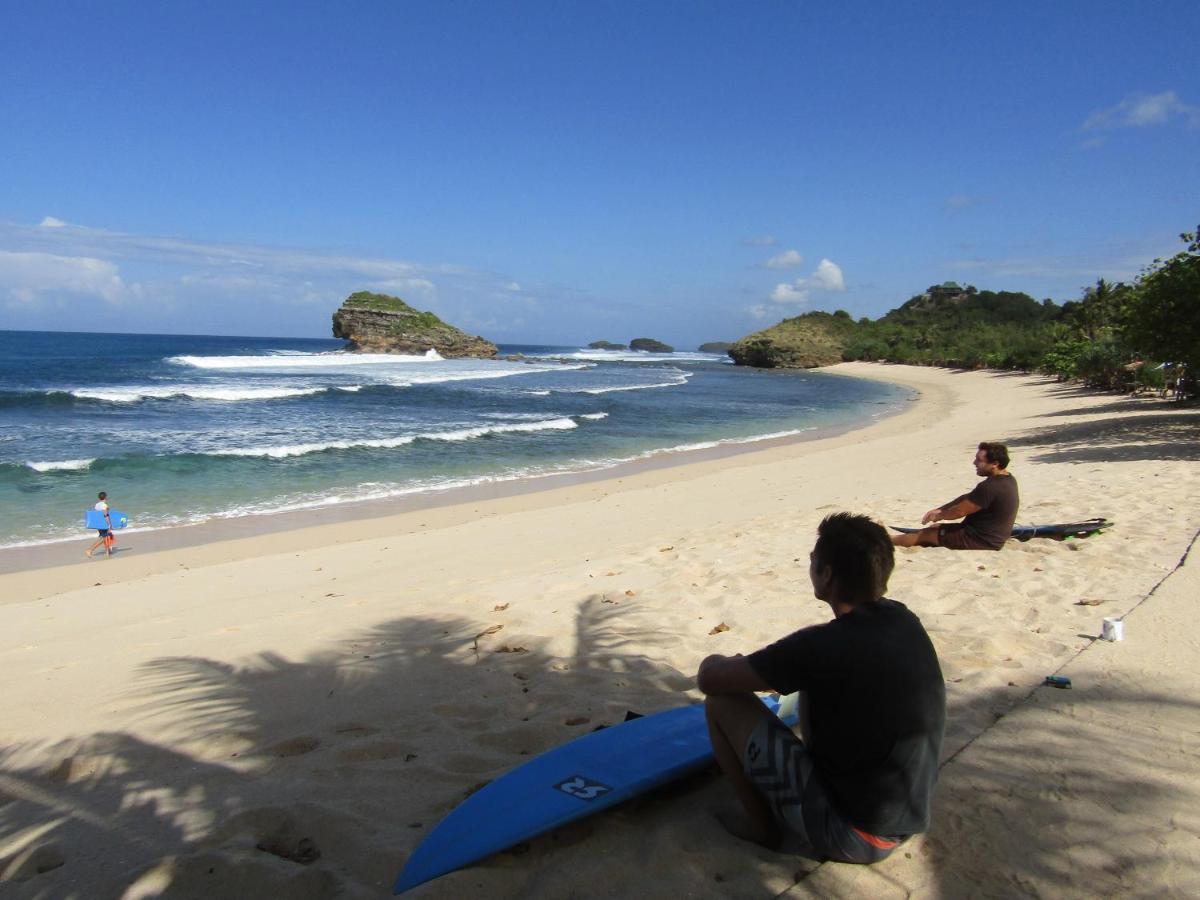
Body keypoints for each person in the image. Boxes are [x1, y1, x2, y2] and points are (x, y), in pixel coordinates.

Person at [697, 513, 945, 863]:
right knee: (813, 685)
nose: (810, 565)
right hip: (906, 815)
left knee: (720, 703)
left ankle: (762, 829)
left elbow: (710, 680)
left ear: (827, 575)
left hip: (854, 834)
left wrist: (717, 660)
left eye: (813, 561)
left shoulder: (821, 646)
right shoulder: (904, 619)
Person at [891, 441, 1019, 551]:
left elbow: (959, 511)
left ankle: (889, 540)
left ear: (994, 464)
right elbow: (967, 498)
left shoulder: (990, 487)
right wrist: (941, 509)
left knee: (926, 534)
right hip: (988, 536)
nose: (974, 463)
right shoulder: (1007, 479)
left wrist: (939, 516)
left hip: (980, 540)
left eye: (979, 460)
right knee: (936, 529)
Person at [85, 491, 113, 558]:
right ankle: (90, 550)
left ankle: (107, 553)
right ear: (105, 497)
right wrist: (109, 524)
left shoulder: (97, 505)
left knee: (105, 537)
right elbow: (105, 515)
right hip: (103, 524)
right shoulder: (104, 505)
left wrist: (107, 509)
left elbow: (98, 513)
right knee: (104, 538)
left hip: (98, 523)